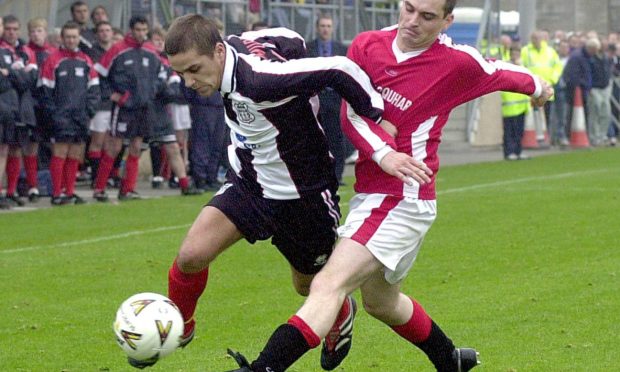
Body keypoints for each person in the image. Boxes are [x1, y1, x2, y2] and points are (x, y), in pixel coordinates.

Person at [227, 1, 554, 371]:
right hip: (371, 190)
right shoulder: (367, 45)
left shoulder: (456, 62)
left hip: (403, 198)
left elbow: (500, 72)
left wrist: (538, 86)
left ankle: (261, 368)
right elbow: (349, 114)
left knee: (327, 286)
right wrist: (384, 153)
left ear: (447, 21)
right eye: (409, 9)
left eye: (427, 16)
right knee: (381, 302)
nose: (412, 21)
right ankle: (449, 360)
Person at [130, 13, 419, 370]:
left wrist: (374, 114)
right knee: (191, 255)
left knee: (307, 286)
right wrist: (291, 51)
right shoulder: (231, 54)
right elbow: (286, 37)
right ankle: (178, 328)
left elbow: (341, 68)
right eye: (180, 74)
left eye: (193, 69)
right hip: (250, 182)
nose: (189, 82)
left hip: (303, 193)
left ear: (219, 52)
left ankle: (342, 313)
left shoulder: (260, 80)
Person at [92, 15, 165, 201]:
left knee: (136, 147)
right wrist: (113, 95)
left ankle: (127, 189)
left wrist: (152, 91)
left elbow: (162, 74)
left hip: (143, 106)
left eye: (144, 30)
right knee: (114, 146)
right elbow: (99, 73)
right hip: (124, 108)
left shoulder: (151, 50)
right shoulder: (118, 49)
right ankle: (99, 188)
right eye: (138, 30)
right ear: (131, 30)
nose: (141, 33)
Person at [39, 21, 99, 205]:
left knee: (75, 154)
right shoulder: (53, 60)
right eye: (68, 37)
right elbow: (45, 90)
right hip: (61, 116)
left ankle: (70, 191)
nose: (71, 40)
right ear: (62, 38)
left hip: (80, 116)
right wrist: (54, 114)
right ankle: (57, 193)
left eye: (74, 37)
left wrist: (89, 111)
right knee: (60, 153)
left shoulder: (86, 60)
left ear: (79, 38)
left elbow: (94, 89)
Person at [0, 15, 38, 207]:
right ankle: (1, 191)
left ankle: (11, 190)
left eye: (15, 29)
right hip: (5, 105)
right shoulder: (1, 49)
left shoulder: (27, 51)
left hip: (22, 106)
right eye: (8, 28)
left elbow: (30, 80)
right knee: (3, 149)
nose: (11, 32)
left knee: (16, 149)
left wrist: (11, 73)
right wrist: (17, 74)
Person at [307, 14, 349, 185]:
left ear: (333, 29)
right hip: (316, 97)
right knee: (315, 138)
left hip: (335, 98)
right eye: (323, 26)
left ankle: (337, 175)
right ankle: (317, 175)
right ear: (317, 28)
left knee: (337, 139)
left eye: (328, 26)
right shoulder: (309, 48)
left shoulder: (341, 49)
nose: (325, 29)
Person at [26, 17, 57, 202]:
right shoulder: (25, 52)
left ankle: (56, 185)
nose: (36, 34)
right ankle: (32, 186)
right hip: (32, 105)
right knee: (32, 146)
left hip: (51, 107)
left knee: (55, 146)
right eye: (33, 31)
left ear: (45, 33)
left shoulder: (52, 53)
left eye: (39, 30)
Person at [501, 47, 531, 160]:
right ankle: (509, 152)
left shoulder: (522, 66)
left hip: (522, 104)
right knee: (509, 130)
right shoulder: (506, 66)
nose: (516, 56)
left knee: (519, 130)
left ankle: (518, 151)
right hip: (510, 103)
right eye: (514, 54)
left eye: (517, 53)